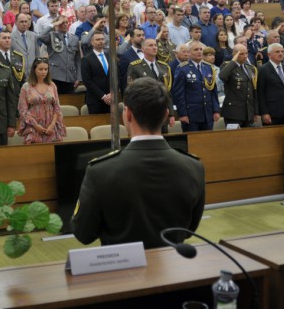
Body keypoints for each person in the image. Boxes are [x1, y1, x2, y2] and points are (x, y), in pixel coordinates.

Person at [72, 77, 205, 248]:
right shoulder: (193, 166)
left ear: (127, 114)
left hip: (123, 267)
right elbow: (190, 227)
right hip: (173, 265)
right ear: (166, 115)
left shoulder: (101, 170)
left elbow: (83, 233)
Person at [126, 37, 175, 131]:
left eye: (155, 45)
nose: (154, 47)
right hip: (145, 110)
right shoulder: (135, 67)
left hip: (161, 110)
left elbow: (167, 92)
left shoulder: (164, 67)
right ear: (143, 49)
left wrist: (171, 113)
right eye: (151, 45)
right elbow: (132, 91)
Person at [172, 41, 220, 131]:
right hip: (191, 115)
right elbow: (179, 94)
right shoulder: (182, 68)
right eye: (196, 49)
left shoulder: (208, 67)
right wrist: (182, 114)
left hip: (207, 113)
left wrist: (216, 110)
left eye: (201, 49)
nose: (199, 52)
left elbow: (213, 91)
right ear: (189, 53)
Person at [17, 57, 66, 145]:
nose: (44, 72)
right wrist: (35, 125)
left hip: (51, 124)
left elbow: (57, 107)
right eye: (40, 69)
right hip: (33, 126)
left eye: (46, 69)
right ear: (34, 70)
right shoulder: (26, 87)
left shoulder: (52, 85)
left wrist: (52, 124)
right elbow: (23, 110)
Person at [38, 15, 81, 94]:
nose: (64, 24)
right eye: (62, 23)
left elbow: (77, 59)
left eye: (66, 22)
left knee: (68, 103)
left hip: (70, 77)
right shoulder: (52, 36)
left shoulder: (74, 38)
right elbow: (41, 36)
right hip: (55, 76)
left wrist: (79, 77)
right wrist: (54, 24)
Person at [218, 44, 258, 128]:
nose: (245, 56)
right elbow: (222, 76)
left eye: (246, 53)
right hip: (233, 113)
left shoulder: (250, 68)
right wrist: (233, 61)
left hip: (248, 112)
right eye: (241, 54)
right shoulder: (228, 66)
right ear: (234, 54)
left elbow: (252, 90)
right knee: (234, 139)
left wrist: (255, 112)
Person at [257, 43, 284, 126]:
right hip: (271, 113)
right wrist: (264, 112)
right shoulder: (263, 69)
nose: (281, 53)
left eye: (282, 51)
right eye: (277, 52)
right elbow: (260, 93)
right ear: (269, 54)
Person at [80, 31, 112, 114]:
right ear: (91, 42)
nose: (101, 41)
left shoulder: (110, 57)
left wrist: (111, 93)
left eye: (102, 39)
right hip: (95, 99)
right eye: (98, 39)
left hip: (111, 98)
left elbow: (116, 76)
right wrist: (103, 96)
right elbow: (87, 81)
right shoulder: (86, 59)